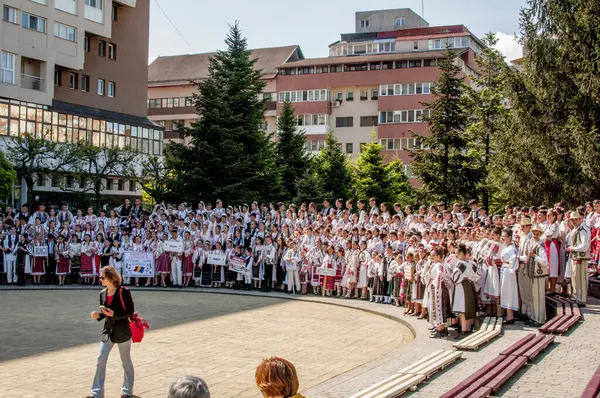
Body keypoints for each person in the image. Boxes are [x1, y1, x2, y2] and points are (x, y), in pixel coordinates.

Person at [88, 265, 135, 398]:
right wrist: (98, 315)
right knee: (100, 359)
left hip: (123, 331)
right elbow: (106, 313)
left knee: (125, 361)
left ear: (110, 277)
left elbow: (130, 312)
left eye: (102, 277)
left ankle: (127, 391)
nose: (100, 280)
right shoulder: (102, 293)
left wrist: (114, 314)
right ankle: (96, 393)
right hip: (108, 331)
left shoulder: (124, 291)